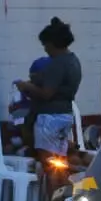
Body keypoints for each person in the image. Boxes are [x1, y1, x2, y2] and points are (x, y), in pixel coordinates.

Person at [15, 18, 81, 159]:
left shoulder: (58, 63)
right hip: (65, 114)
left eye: (45, 45)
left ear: (53, 44)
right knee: (60, 158)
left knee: (49, 161)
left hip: (50, 119)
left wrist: (26, 86)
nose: (45, 49)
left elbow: (47, 94)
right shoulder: (73, 60)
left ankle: (58, 181)